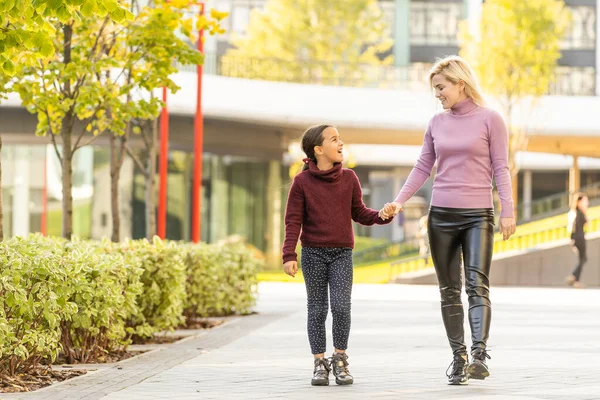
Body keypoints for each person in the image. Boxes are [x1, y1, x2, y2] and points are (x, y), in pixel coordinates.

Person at [387, 55, 517, 385]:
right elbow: (422, 167)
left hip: (478, 216)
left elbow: (501, 167)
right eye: (435, 89)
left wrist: (508, 211)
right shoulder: (436, 123)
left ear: (461, 84)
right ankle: (458, 358)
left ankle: (479, 355)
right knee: (448, 290)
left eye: (441, 87)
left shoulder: (491, 120)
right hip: (441, 216)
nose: (438, 94)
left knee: (477, 285)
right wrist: (399, 201)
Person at [282, 124, 395, 387]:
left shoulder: (350, 179)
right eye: (334, 140)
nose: (341, 143)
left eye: (340, 139)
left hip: (342, 253)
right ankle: (319, 363)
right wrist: (289, 254)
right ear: (319, 150)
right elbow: (292, 221)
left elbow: (359, 213)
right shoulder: (301, 183)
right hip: (312, 254)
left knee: (342, 307)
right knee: (317, 309)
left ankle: (340, 359)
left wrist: (381, 215)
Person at [566, 193, 588, 288]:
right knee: (582, 259)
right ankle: (574, 278)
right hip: (579, 238)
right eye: (584, 201)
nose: (586, 203)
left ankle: (575, 278)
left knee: (582, 259)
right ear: (579, 202)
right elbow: (585, 224)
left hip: (575, 238)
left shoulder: (574, 212)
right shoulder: (579, 212)